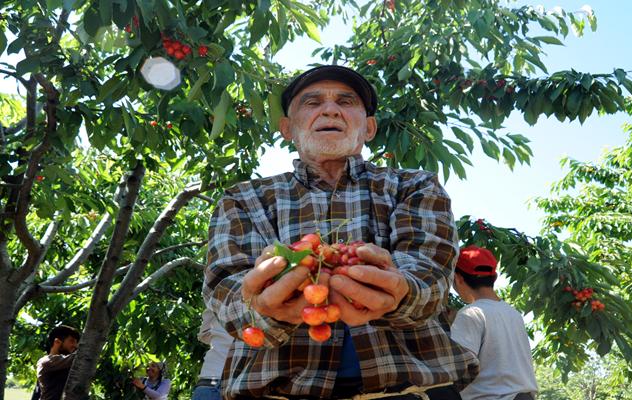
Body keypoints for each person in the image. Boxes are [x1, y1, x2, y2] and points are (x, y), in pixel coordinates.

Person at [203, 64, 479, 400]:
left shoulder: (415, 186)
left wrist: (400, 291)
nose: (330, 109)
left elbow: (430, 277)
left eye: (346, 102)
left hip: (414, 391)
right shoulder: (243, 199)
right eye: (312, 101)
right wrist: (262, 309)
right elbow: (225, 291)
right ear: (287, 128)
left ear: (370, 128)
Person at [450, 245, 538, 400]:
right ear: (494, 277)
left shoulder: (470, 314)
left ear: (458, 278)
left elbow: (457, 368)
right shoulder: (513, 314)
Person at [191, 309, 234, 400]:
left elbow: (203, 335)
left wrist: (219, 336)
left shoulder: (218, 299)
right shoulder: (263, 303)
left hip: (208, 381)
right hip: (233, 385)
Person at [36, 325, 80, 400]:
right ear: (57, 342)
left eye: (76, 342)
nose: (75, 346)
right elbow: (78, 356)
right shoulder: (45, 362)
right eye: (72, 341)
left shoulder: (66, 363)